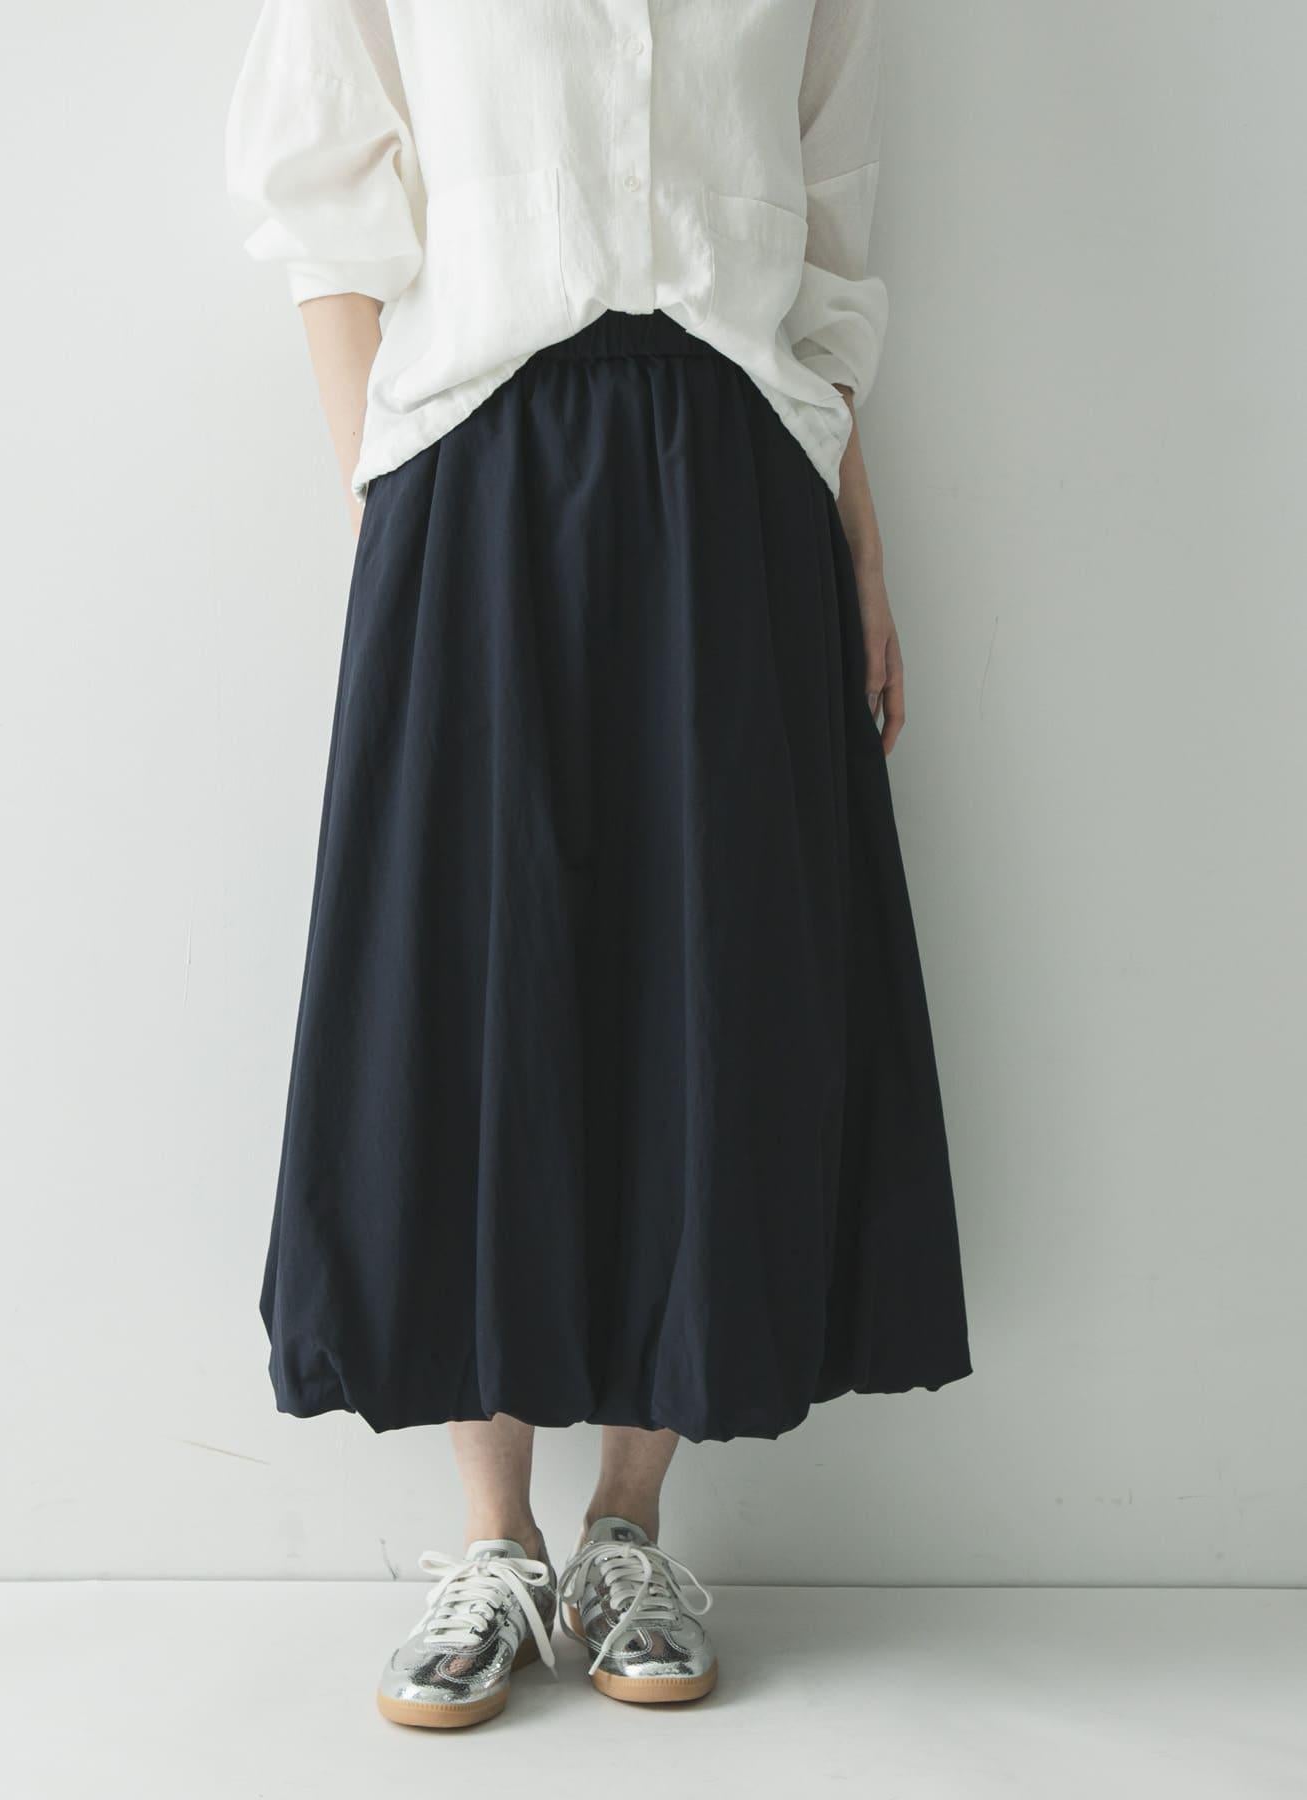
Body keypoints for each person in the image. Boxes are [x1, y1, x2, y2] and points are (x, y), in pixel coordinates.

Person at [225, 0, 971, 1728]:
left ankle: (628, 1526)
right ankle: (493, 1541)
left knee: (709, 978)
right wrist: (381, 505)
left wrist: (861, 544)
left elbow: (828, 243)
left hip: (739, 474)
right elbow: (320, 192)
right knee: (473, 978)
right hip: (478, 462)